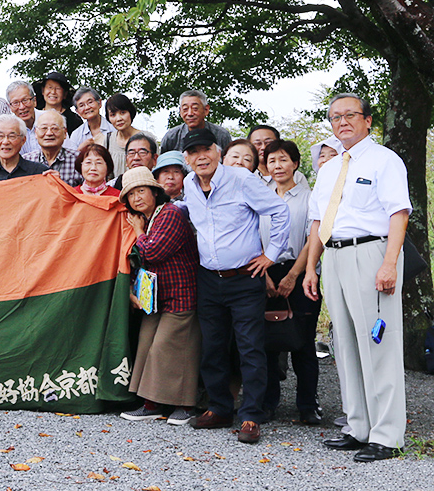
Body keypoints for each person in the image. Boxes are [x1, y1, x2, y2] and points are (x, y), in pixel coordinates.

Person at [303, 93, 410, 462]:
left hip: (371, 254)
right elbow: (318, 220)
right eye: (335, 117)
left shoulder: (385, 160)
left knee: (378, 344)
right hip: (333, 257)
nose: (342, 122)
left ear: (367, 121)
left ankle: (387, 434)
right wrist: (310, 267)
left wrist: (389, 263)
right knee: (345, 344)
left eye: (350, 115)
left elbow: (398, 213)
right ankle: (358, 425)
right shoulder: (329, 168)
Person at [181, 128, 290, 445]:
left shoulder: (242, 180)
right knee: (212, 346)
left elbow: (279, 210)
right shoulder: (189, 183)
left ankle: (252, 415)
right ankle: (219, 407)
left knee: (250, 347)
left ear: (217, 151)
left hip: (245, 278)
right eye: (193, 152)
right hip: (208, 278)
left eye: (205, 150)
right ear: (187, 158)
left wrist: (271, 254)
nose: (200, 156)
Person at [117, 168, 200, 426]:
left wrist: (140, 232)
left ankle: (186, 405)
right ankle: (151, 403)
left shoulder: (171, 213)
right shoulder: (150, 217)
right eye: (131, 195)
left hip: (181, 293)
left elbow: (153, 252)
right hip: (155, 297)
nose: (137, 198)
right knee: (146, 345)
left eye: (141, 190)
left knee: (171, 347)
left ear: (155, 191)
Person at [260, 140, 321, 426]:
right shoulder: (261, 196)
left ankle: (308, 405)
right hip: (266, 272)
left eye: (283, 160)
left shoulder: (310, 197)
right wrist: (267, 277)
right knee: (268, 343)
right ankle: (268, 403)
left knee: (304, 342)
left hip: (302, 272)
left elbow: (314, 239)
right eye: (272, 161)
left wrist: (293, 275)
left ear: (295, 163)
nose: (277, 166)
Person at [0, 114, 49, 183]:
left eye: (12, 136)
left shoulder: (40, 172)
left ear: (23, 140)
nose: (5, 142)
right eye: (1, 136)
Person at [160, 90, 233, 153]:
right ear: (180, 112)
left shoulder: (221, 135)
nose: (190, 113)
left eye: (195, 108)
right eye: (185, 109)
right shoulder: (171, 137)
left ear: (206, 110)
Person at [23, 109, 82, 187]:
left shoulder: (80, 160)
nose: (49, 133)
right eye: (44, 128)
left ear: (65, 133)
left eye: (54, 128)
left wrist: (62, 185)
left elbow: (89, 193)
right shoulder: (26, 161)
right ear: (36, 133)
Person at [65, 88, 120, 167]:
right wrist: (80, 150)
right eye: (81, 105)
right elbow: (70, 163)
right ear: (78, 112)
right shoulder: (76, 134)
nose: (87, 107)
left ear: (100, 103)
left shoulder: (114, 129)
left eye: (90, 102)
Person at [6, 80, 40, 149]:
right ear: (10, 107)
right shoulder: (8, 129)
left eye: (25, 100)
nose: (22, 107)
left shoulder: (51, 120)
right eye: (16, 103)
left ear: (34, 101)